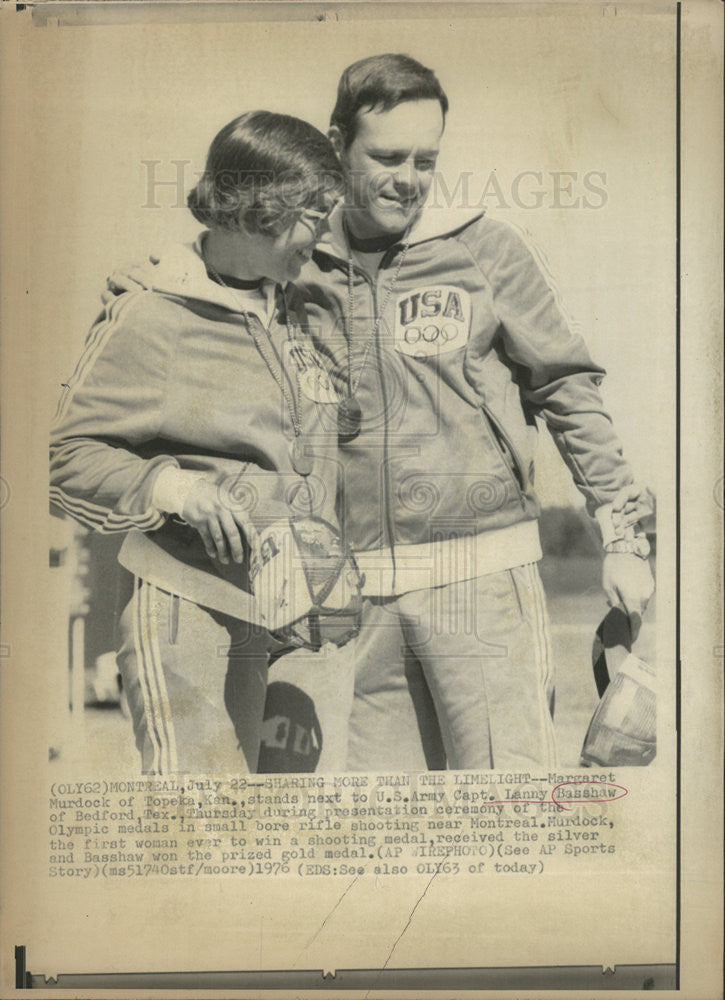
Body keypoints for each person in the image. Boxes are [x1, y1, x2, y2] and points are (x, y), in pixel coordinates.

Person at [297, 53, 655, 771]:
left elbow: (567, 387)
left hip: (481, 581)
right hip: (354, 595)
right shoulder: (298, 260)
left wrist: (623, 536)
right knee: (384, 838)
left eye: (425, 160)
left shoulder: (485, 247)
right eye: (387, 156)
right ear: (336, 146)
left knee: (505, 814)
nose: (408, 178)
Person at [50, 111, 348, 774]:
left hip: (304, 618)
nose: (325, 230)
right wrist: (173, 487)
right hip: (193, 609)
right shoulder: (153, 313)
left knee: (296, 846)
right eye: (313, 213)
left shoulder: (311, 310)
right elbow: (63, 457)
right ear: (257, 206)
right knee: (206, 840)